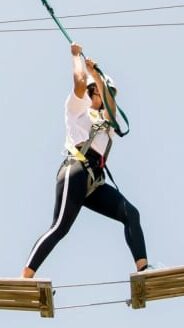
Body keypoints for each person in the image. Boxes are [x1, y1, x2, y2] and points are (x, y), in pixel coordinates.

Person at [22, 42, 149, 278]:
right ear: (94, 91)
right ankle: (25, 276)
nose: (107, 98)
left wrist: (99, 77)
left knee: (131, 213)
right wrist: (77, 58)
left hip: (95, 181)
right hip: (76, 169)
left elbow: (111, 109)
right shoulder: (77, 107)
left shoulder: (107, 122)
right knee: (60, 228)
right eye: (102, 92)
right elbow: (80, 82)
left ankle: (144, 270)